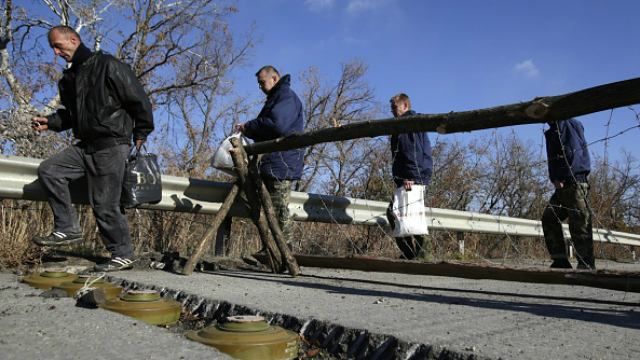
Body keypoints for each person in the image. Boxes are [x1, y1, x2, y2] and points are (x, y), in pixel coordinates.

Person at [30, 26, 154, 272]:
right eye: (53, 48)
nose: (56, 52)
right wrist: (51, 122)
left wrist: (140, 133)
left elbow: (138, 99)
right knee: (50, 170)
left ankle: (122, 254)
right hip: (85, 146)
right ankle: (67, 228)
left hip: (111, 144)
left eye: (58, 46)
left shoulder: (107, 65)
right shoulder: (67, 79)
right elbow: (74, 117)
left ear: (74, 40)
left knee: (104, 203)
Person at [235, 65, 304, 250]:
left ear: (274, 78)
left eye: (262, 82)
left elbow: (277, 125)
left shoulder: (285, 97)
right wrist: (250, 130)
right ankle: (271, 250)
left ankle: (284, 252)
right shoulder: (276, 98)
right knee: (267, 207)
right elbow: (266, 130)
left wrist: (249, 126)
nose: (260, 87)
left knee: (279, 209)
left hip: (282, 162)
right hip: (273, 161)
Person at [541, 118, 594, 270]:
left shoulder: (564, 126)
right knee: (550, 217)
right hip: (568, 181)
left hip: (572, 181)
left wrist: (562, 176)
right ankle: (560, 260)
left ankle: (586, 264)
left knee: (579, 222)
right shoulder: (565, 125)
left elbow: (571, 150)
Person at [386, 93, 433, 260]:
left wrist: (410, 176)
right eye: (391, 108)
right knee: (407, 213)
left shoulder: (407, 123)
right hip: (412, 176)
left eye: (395, 108)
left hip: (411, 177)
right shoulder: (408, 123)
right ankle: (417, 254)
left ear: (405, 106)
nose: (392, 111)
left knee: (397, 213)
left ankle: (418, 254)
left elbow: (411, 150)